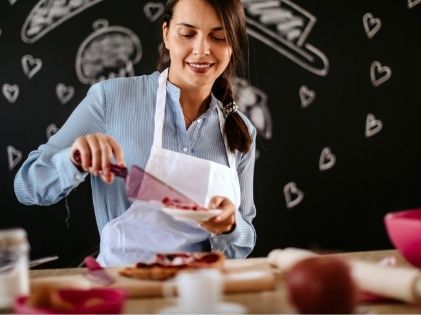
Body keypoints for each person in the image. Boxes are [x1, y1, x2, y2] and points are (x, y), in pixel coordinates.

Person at [14, 0, 257, 266]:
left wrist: (229, 226)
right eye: (187, 34)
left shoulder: (242, 130)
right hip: (123, 290)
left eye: (219, 37)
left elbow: (242, 244)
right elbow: (28, 185)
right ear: (166, 34)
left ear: (232, 45)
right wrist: (73, 159)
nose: (201, 49)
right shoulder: (111, 98)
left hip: (198, 293)